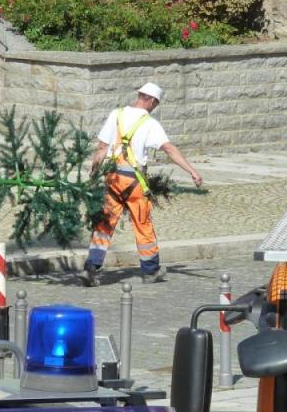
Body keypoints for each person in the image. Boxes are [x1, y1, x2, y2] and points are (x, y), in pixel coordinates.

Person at [81, 83, 203, 287]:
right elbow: (169, 149)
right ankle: (150, 270)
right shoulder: (150, 124)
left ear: (140, 95)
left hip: (113, 179)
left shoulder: (116, 115)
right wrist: (191, 170)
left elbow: (101, 149)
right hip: (135, 182)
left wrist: (94, 174)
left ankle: (91, 268)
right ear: (152, 101)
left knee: (105, 224)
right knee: (143, 225)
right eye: (156, 104)